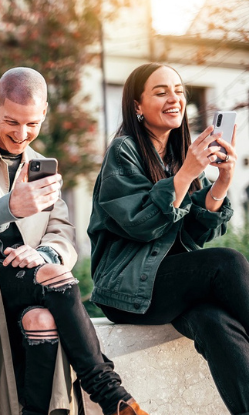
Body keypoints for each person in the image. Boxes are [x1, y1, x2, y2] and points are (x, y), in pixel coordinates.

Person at [0, 67, 148, 415]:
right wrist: (8, 207)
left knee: (41, 318)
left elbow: (63, 234)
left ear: (43, 116)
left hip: (33, 288)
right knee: (52, 278)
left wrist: (42, 254)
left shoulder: (43, 165)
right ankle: (107, 390)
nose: (21, 134)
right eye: (11, 121)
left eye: (32, 124)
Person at [88, 63, 249, 414]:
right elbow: (141, 225)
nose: (174, 98)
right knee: (228, 262)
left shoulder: (180, 154)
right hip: (126, 288)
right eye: (161, 92)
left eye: (178, 90)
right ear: (137, 106)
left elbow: (195, 233)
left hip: (172, 284)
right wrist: (188, 173)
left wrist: (221, 182)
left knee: (213, 322)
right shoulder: (124, 151)